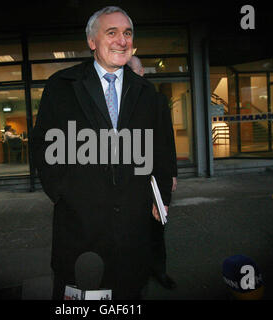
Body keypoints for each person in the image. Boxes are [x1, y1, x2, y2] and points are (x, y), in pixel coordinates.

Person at [31, 6, 173, 299]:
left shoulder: (148, 93)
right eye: (112, 33)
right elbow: (44, 146)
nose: (122, 40)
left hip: (133, 230)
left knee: (129, 294)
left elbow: (162, 151)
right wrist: (63, 193)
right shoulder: (61, 87)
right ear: (92, 42)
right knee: (81, 299)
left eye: (127, 33)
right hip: (80, 228)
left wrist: (161, 199)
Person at [127, 56, 178, 290]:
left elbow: (167, 141)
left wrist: (172, 175)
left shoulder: (157, 100)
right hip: (127, 180)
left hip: (154, 178)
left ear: (141, 73)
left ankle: (158, 271)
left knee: (156, 228)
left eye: (134, 70)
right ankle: (135, 271)